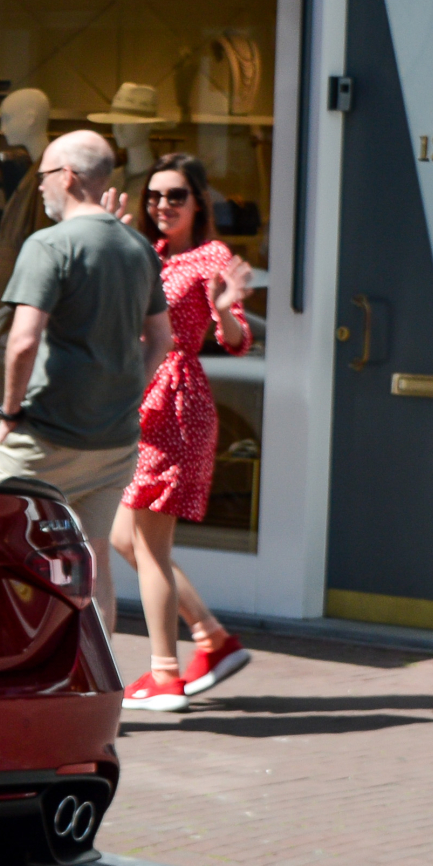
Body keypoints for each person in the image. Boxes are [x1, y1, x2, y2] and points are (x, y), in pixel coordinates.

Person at [0, 129, 172, 633]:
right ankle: (98, 687)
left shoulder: (49, 245)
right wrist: (126, 394)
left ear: (67, 176)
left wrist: (10, 415)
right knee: (94, 556)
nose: (38, 187)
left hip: (47, 434)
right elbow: (160, 339)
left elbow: (22, 342)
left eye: (42, 175)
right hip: (114, 440)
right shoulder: (137, 247)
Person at [110, 154, 255, 710]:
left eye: (174, 195)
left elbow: (238, 337)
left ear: (198, 203)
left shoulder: (210, 256)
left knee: (148, 542)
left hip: (174, 400)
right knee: (128, 538)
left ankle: (166, 674)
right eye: (154, 197)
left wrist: (223, 312)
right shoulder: (153, 254)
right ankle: (213, 639)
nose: (162, 206)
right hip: (146, 397)